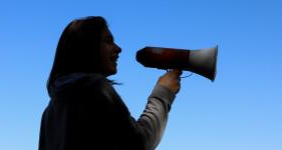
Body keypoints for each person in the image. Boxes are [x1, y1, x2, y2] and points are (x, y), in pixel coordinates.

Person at [39, 16, 182, 150]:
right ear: (88, 47)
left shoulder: (50, 111)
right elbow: (139, 143)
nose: (118, 48)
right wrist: (163, 92)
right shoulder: (94, 86)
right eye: (108, 41)